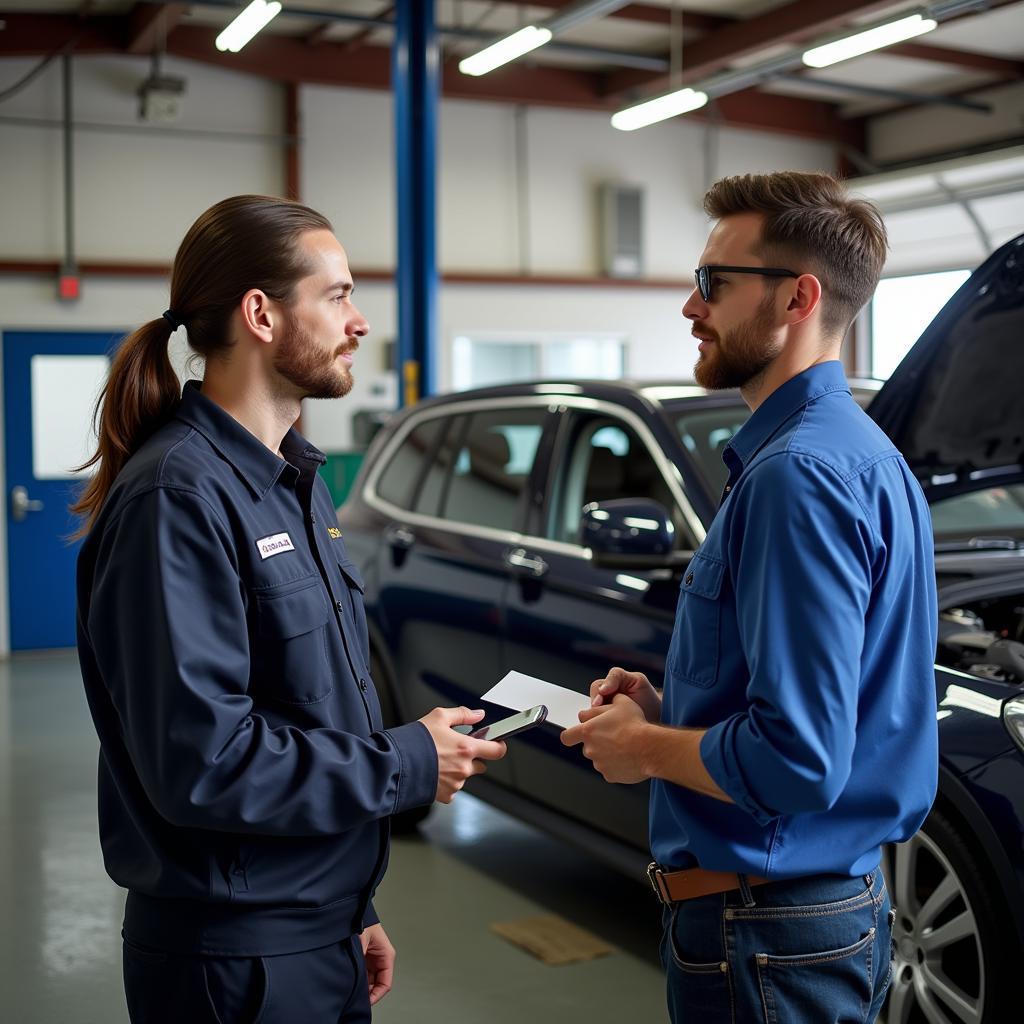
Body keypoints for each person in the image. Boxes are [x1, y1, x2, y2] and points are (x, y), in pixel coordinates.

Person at [73, 195, 506, 1023]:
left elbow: (303, 709)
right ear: (262, 315)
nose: (359, 323)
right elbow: (206, 761)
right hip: (234, 964)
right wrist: (409, 760)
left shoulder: (293, 484)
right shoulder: (180, 497)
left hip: (312, 933)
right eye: (337, 295)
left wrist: (352, 910)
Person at [561, 171, 938, 1023]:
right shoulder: (860, 454)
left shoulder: (797, 477)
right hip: (822, 909)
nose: (691, 307)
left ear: (798, 297)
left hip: (766, 930)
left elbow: (799, 758)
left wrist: (649, 749)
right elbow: (827, 707)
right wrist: (668, 710)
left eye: (713, 283)